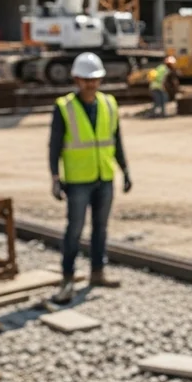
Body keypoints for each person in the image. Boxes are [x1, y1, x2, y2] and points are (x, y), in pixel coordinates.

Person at [49, 52, 131, 305]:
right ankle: (68, 278)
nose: (91, 84)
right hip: (77, 181)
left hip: (103, 176)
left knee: (101, 228)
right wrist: (55, 176)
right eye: (86, 80)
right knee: (74, 230)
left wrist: (125, 170)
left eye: (94, 79)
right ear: (76, 79)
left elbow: (116, 140)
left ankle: (97, 272)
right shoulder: (64, 107)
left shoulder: (108, 104)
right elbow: (54, 145)